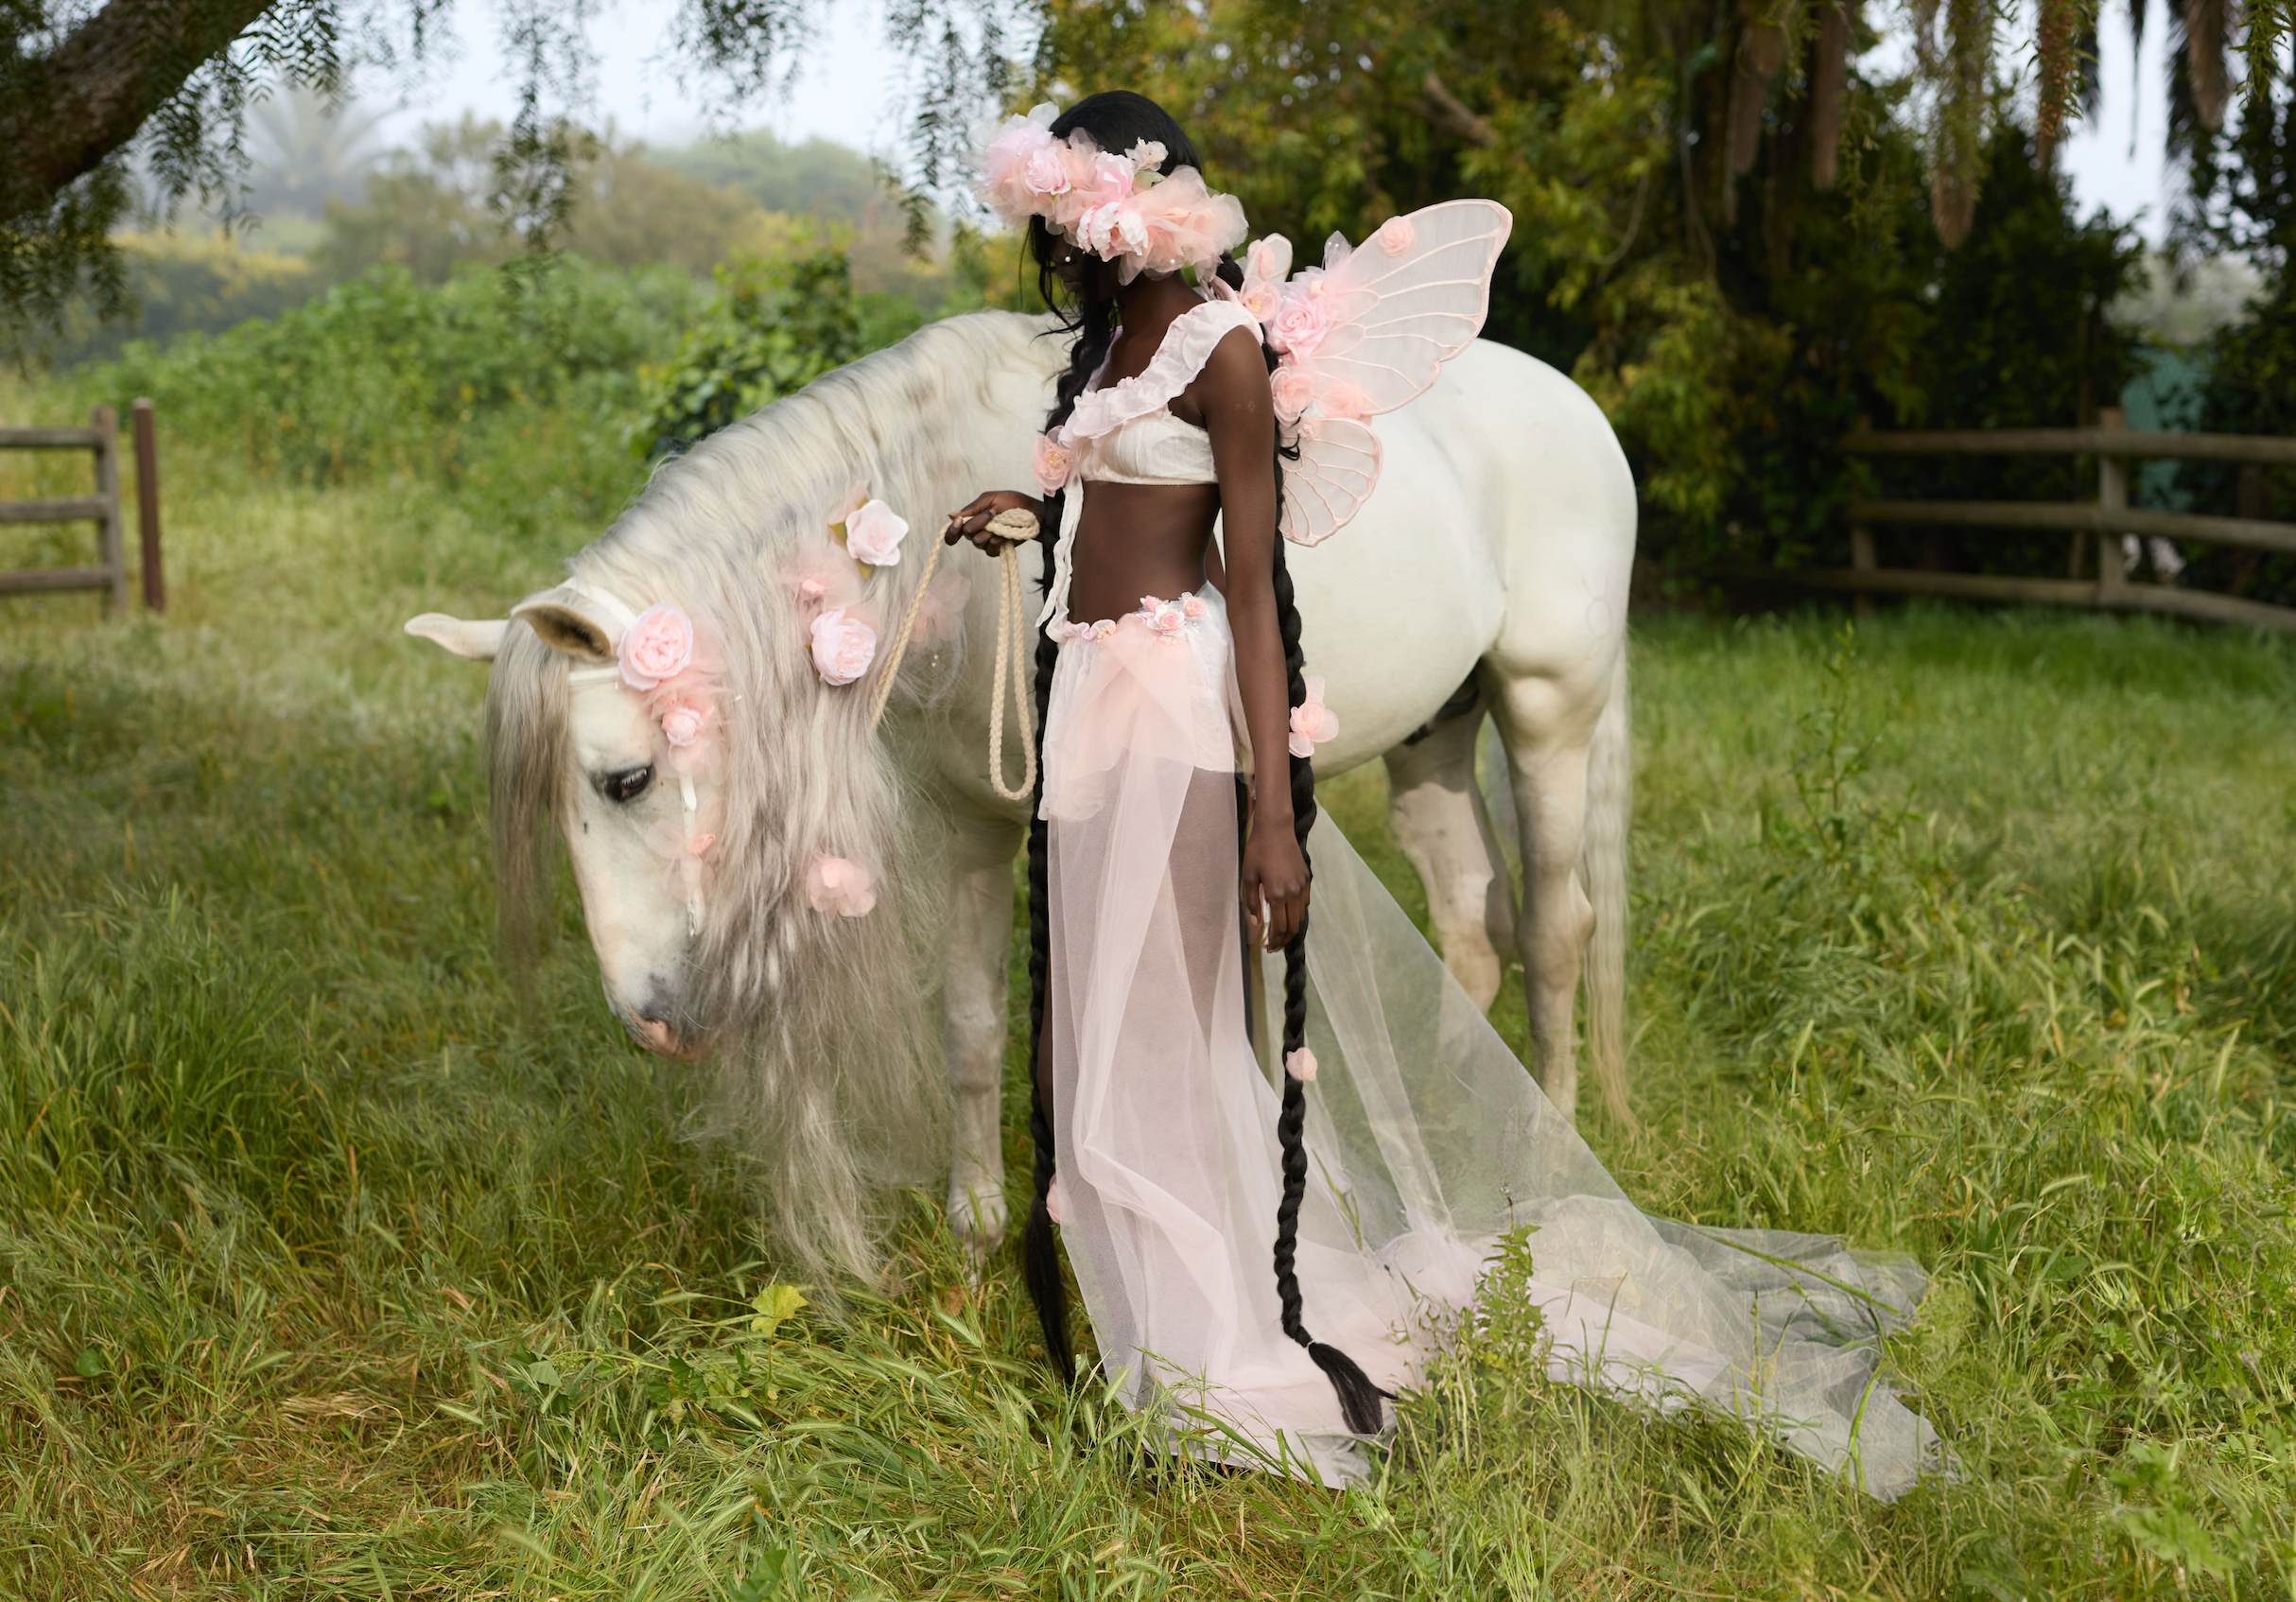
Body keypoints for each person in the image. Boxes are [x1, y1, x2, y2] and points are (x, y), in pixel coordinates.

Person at [946, 92, 1939, 1496]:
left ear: (1134, 206)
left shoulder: (1226, 350)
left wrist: (1279, 813)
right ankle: (1143, 1298)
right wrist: (1030, 513)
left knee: (1170, 1002)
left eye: (1072, 218)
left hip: (1176, 708)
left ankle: (1217, 1319)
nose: (1066, 247)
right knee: (1098, 1013)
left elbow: (1249, 576)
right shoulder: (1115, 346)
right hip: (1092, 696)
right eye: (1055, 228)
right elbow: (1127, 500)